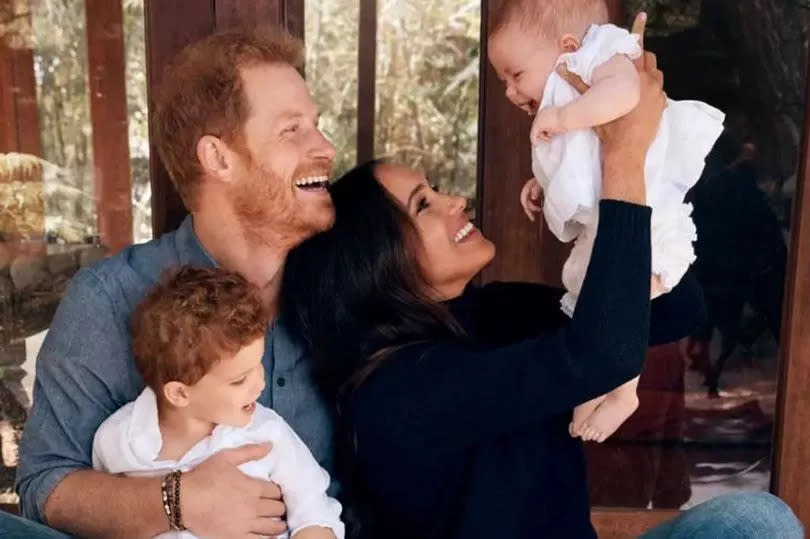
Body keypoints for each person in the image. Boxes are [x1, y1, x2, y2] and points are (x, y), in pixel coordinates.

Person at [281, 24, 803, 539]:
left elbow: (674, 311)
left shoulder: (492, 312)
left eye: (436, 188)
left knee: (754, 522)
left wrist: (616, 173)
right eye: (424, 204)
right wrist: (622, 155)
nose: (454, 201)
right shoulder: (399, 392)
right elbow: (604, 355)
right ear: (376, 262)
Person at [10, 28, 337, 538]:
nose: (326, 147)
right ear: (218, 158)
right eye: (292, 130)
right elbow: (43, 487)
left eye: (317, 125)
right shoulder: (108, 299)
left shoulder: (342, 291)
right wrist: (177, 500)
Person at [487, 0, 724, 442]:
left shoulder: (604, 55)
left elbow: (625, 95)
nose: (510, 93)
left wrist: (561, 117)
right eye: (503, 81)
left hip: (648, 215)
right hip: (613, 216)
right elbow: (584, 160)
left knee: (624, 299)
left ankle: (623, 391)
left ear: (568, 46)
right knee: (593, 297)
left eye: (515, 75)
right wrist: (542, 182)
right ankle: (597, 384)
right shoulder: (571, 90)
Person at [92, 267, 344, 539]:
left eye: (259, 365)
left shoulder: (266, 434)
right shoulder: (117, 441)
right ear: (179, 393)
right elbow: (103, 521)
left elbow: (314, 509)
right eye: (239, 380)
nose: (260, 384)